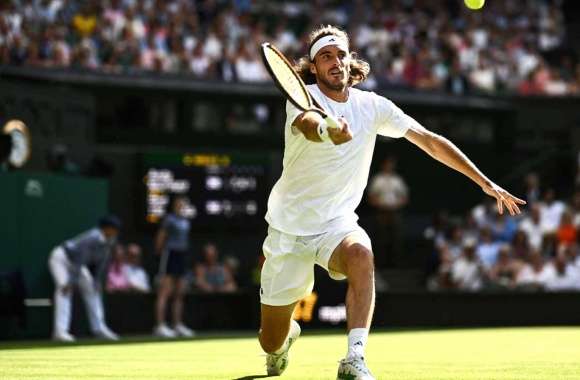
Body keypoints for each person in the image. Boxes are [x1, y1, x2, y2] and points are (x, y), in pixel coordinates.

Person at [259, 25, 526, 380]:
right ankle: (283, 340)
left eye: (341, 54)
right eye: (326, 56)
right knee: (270, 341)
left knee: (361, 254)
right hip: (288, 230)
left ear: (350, 60)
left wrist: (485, 182)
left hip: (336, 225)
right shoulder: (301, 98)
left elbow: (429, 141)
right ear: (314, 66)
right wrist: (328, 129)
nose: (336, 62)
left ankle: (354, 358)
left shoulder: (373, 106)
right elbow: (309, 123)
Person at [48, 215, 122, 342]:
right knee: (64, 290)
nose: (116, 231)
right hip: (61, 259)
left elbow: (102, 262)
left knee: (93, 290)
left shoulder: (111, 240)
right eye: (113, 228)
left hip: (77, 264)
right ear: (106, 228)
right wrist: (71, 282)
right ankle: (60, 332)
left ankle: (99, 328)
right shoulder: (92, 238)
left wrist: (97, 281)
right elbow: (80, 260)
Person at [153, 196, 195, 338]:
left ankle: (177, 325)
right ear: (174, 205)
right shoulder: (169, 220)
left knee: (179, 293)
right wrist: (160, 255)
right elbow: (160, 238)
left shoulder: (185, 221)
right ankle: (160, 326)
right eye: (179, 204)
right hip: (170, 255)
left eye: (183, 204)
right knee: (165, 292)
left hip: (182, 256)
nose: (181, 206)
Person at [367, 156, 408, 268]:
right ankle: (380, 264)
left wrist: (396, 205)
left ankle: (397, 264)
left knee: (396, 238)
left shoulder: (397, 180)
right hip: (381, 212)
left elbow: (404, 197)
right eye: (387, 164)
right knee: (381, 238)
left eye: (391, 164)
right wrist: (381, 204)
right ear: (383, 165)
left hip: (395, 212)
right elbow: (371, 196)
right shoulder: (378, 179)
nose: (389, 166)